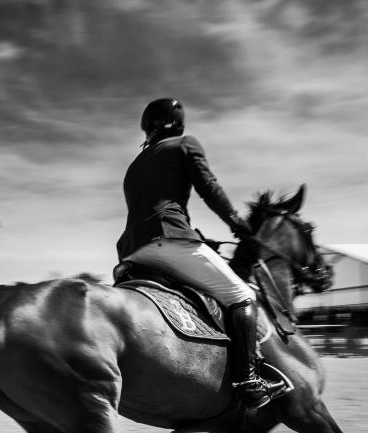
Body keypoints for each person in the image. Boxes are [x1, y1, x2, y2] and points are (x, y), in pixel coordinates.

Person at [117, 97, 286, 410]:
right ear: (177, 122)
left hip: (132, 252)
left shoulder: (135, 165)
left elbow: (154, 209)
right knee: (241, 295)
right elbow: (210, 189)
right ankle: (249, 379)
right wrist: (238, 226)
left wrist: (199, 239)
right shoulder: (184, 144)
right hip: (169, 242)